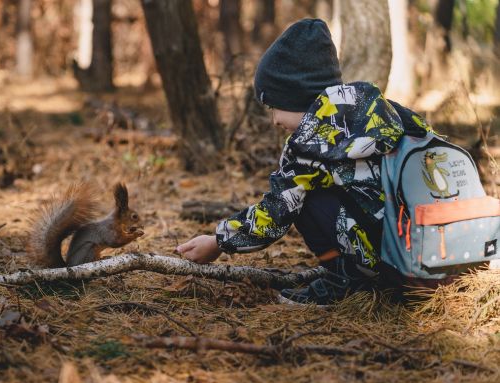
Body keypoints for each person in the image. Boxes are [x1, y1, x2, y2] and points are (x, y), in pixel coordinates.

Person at [176, 18, 432, 305]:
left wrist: (218, 242)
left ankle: (346, 282)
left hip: (393, 268)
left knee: (302, 198)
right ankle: (368, 274)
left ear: (295, 96)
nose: (274, 120)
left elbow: (275, 213)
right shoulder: (386, 110)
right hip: (430, 250)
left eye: (273, 107)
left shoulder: (308, 142)